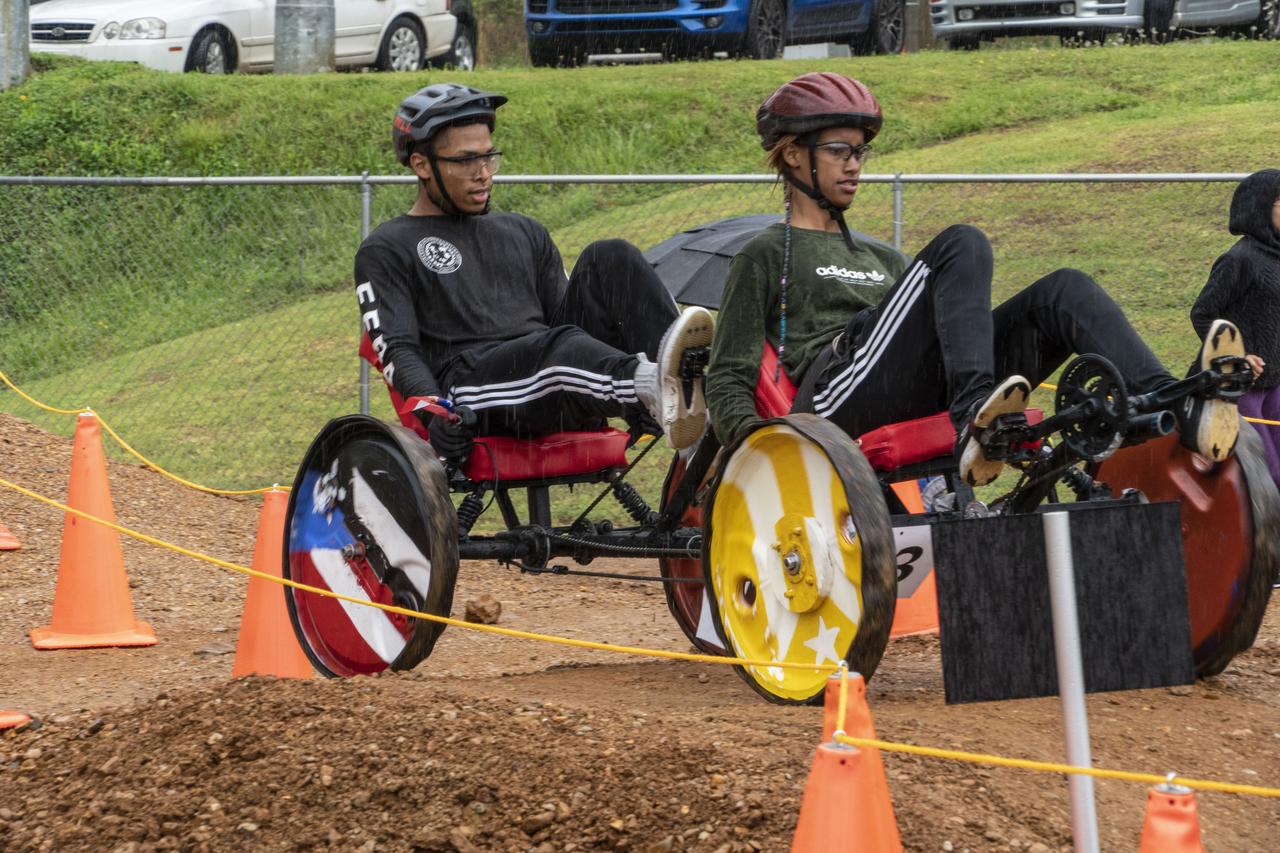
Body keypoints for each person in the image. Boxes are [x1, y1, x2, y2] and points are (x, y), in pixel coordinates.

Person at [706, 72, 1246, 486]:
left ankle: (1172, 402)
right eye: (839, 150)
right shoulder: (766, 252)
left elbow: (930, 332)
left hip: (918, 387)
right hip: (832, 403)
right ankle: (976, 416)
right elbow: (729, 376)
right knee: (962, 241)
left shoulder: (884, 258)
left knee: (1064, 289)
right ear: (795, 154)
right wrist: (758, 451)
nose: (855, 165)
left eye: (861, 151)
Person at [355, 83, 714, 466]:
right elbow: (398, 349)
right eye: (465, 161)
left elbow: (569, 326)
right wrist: (434, 413)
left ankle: (694, 415)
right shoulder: (387, 247)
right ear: (421, 164)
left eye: (489, 157)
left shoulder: (524, 231)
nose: (483, 174)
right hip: (475, 391)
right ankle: (655, 387)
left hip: (549, 380)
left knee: (611, 257)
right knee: (557, 350)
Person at [1191, 169, 1280, 482]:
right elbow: (1203, 313)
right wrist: (1238, 356)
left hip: (1277, 384)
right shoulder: (1239, 259)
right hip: (1241, 386)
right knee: (1265, 474)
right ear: (1260, 208)